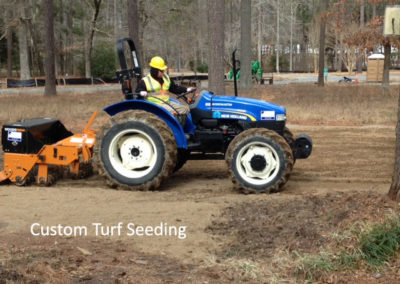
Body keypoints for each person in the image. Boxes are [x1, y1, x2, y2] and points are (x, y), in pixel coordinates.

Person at [135, 56, 195, 125]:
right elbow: (138, 91)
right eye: (161, 71)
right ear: (155, 70)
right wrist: (141, 92)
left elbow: (174, 88)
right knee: (174, 112)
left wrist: (187, 89)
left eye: (163, 70)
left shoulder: (166, 78)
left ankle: (181, 128)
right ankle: (172, 130)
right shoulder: (145, 81)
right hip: (155, 105)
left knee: (184, 109)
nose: (163, 72)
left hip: (166, 102)